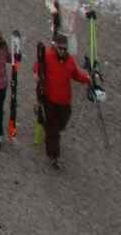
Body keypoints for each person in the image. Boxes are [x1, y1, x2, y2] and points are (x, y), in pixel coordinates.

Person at [36, 33, 91, 169]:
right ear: (55, 46)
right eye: (60, 48)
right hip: (49, 99)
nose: (63, 50)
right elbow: (37, 68)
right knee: (53, 129)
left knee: (62, 123)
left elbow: (76, 75)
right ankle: (54, 156)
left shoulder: (69, 60)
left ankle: (45, 125)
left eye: (65, 48)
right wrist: (37, 76)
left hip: (64, 101)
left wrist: (88, 79)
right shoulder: (47, 56)